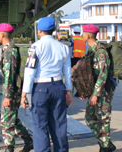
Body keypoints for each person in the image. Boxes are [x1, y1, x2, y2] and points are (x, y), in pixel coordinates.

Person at [20, 17, 72, 152]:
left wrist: (24, 93)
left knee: (40, 126)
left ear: (39, 30)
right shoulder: (64, 47)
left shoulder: (35, 47)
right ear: (53, 31)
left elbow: (30, 71)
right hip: (58, 87)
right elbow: (67, 73)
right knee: (59, 124)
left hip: (41, 88)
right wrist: (68, 92)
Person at [0, 23, 33, 152]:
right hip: (14, 91)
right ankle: (28, 141)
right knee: (12, 119)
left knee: (6, 121)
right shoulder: (9, 49)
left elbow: (9, 74)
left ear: (2, 34)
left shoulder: (9, 51)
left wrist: (7, 95)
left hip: (11, 92)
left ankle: (9, 148)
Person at [81, 24, 117, 152]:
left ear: (89, 35)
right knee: (90, 118)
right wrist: (85, 92)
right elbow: (89, 73)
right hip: (94, 91)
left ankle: (105, 147)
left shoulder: (100, 52)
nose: (82, 34)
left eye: (84, 32)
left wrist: (96, 94)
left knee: (103, 119)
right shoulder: (91, 50)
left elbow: (103, 75)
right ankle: (105, 143)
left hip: (103, 91)